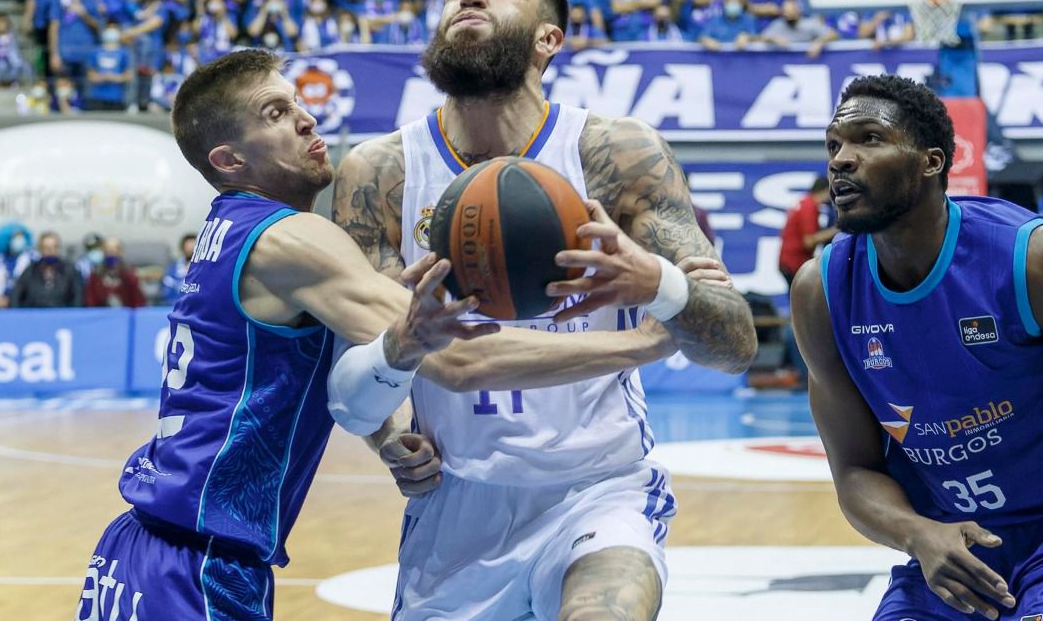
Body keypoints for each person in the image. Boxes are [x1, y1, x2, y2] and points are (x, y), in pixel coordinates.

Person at [80, 49, 648, 621]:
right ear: (229, 160)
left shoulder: (228, 230)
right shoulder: (290, 240)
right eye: (276, 113)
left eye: (297, 103)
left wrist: (388, 432)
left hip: (142, 552)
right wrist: (647, 341)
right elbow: (456, 359)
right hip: (194, 570)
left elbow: (351, 352)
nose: (306, 119)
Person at [332, 0, 757, 621]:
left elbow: (735, 345)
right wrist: (388, 437)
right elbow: (374, 358)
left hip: (600, 487)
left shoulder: (618, 154)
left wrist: (657, 282)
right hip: (455, 504)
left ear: (548, 39)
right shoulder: (381, 172)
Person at [790, 74, 1043, 621]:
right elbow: (856, 473)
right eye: (834, 144)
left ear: (932, 162)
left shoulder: (1037, 259)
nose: (841, 159)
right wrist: (917, 533)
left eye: (869, 138)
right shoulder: (821, 292)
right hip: (954, 541)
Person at [778, 177, 835, 287]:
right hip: (795, 262)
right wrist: (836, 230)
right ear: (824, 191)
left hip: (787, 260)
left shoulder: (804, 202)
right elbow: (809, 241)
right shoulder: (810, 208)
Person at [12, 231, 83, 308]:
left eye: (54, 247)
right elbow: (16, 294)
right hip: (35, 312)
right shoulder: (31, 270)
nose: (50, 251)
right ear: (40, 249)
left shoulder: (69, 269)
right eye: (46, 248)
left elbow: (78, 297)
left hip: (63, 313)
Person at [159, 234, 197, 305]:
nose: (191, 249)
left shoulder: (203, 267)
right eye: (188, 247)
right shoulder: (173, 268)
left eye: (193, 246)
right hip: (175, 303)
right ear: (182, 248)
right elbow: (167, 289)